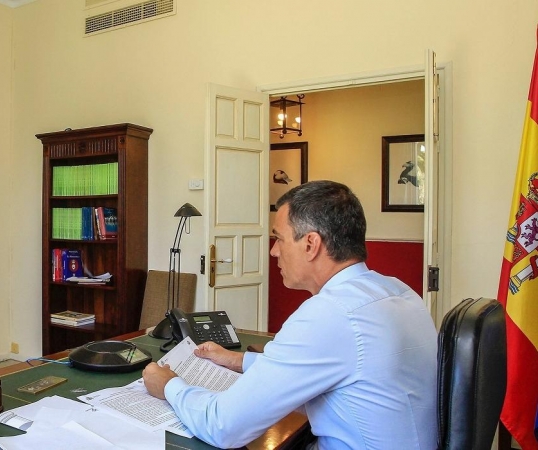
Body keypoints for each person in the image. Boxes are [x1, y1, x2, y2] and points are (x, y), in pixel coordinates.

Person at [142, 180, 438, 449]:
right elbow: (330, 366)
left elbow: (223, 426)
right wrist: (239, 360)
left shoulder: (329, 314)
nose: (273, 251)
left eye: (279, 239)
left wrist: (169, 385)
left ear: (311, 244)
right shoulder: (399, 292)